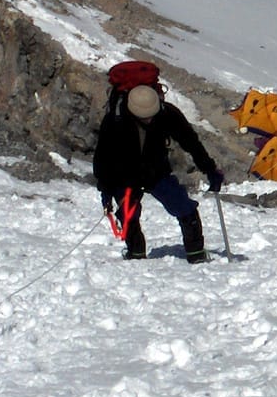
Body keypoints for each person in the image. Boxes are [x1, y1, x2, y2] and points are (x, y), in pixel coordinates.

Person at [94, 83, 224, 263]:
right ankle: (136, 254)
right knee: (128, 213)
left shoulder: (167, 114)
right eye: (144, 118)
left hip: (155, 171)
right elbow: (103, 158)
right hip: (124, 175)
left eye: (151, 116)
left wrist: (209, 169)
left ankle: (196, 254)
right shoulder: (115, 120)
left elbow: (191, 143)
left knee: (184, 207)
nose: (148, 120)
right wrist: (106, 191)